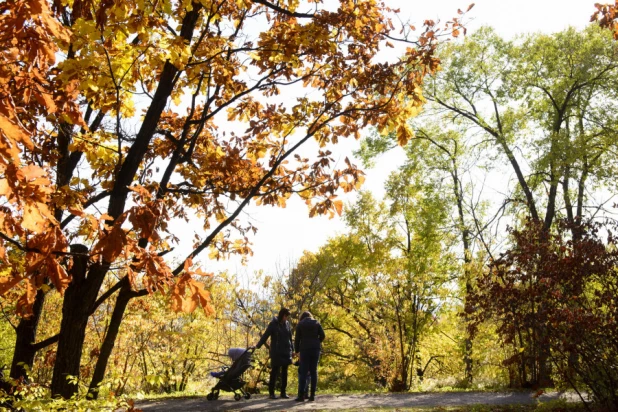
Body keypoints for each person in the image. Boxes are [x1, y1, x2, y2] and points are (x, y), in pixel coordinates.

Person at [253, 308, 294, 399]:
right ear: (282, 315)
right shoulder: (273, 324)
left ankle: (283, 392)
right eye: (285, 316)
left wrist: (293, 350)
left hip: (286, 351)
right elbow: (265, 335)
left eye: (287, 317)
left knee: (284, 372)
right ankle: (271, 393)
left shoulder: (287, 324)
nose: (286, 318)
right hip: (276, 352)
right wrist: (258, 346)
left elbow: (290, 338)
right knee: (274, 372)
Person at [294, 311, 325, 402]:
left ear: (302, 317)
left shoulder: (300, 324)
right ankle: (312, 395)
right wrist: (317, 342)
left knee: (303, 372)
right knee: (313, 371)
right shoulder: (316, 322)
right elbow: (323, 335)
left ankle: (301, 396)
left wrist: (297, 351)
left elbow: (297, 339)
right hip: (315, 349)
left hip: (305, 349)